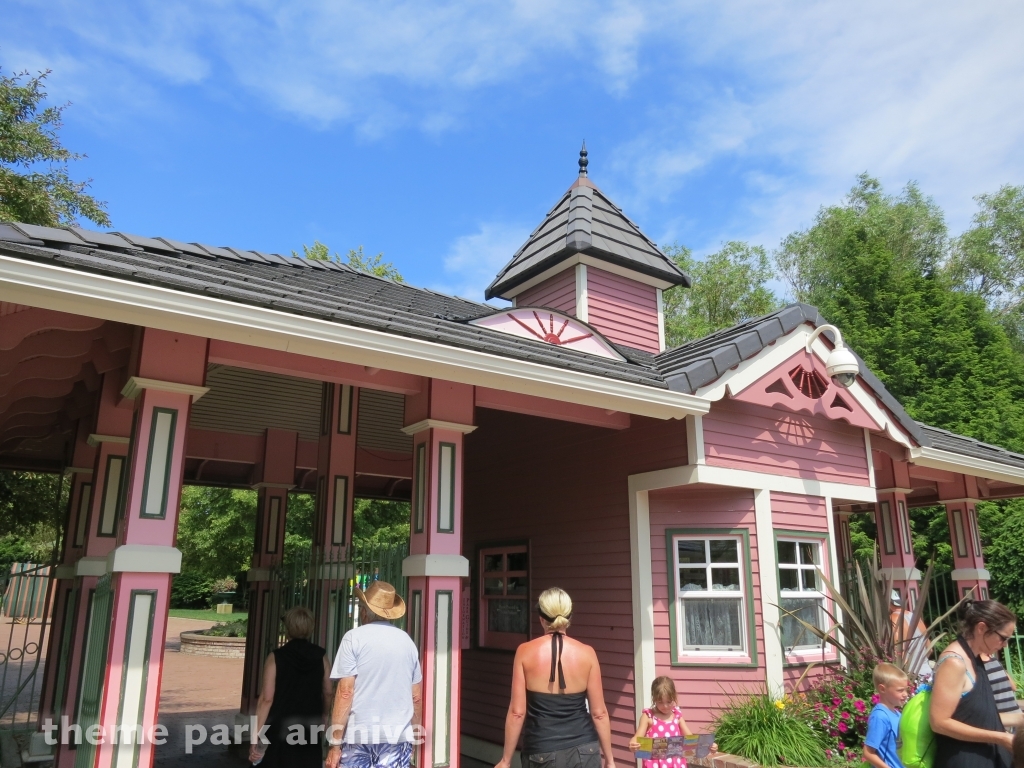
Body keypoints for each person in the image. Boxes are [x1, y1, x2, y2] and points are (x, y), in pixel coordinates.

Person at [495, 587, 615, 768]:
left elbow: (517, 713)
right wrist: (610, 760)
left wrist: (506, 760)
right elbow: (599, 714)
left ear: (541, 618)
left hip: (541, 750)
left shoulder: (525, 652)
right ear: (569, 618)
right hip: (586, 750)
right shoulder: (588, 653)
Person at [325, 580, 422, 768]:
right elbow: (416, 697)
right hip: (397, 736)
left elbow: (345, 692)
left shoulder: (353, 638)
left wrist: (335, 744)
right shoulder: (407, 642)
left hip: (359, 734)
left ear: (364, 611)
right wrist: (415, 736)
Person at [930, 599, 1017, 768]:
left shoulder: (975, 658)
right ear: (981, 628)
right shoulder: (954, 662)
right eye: (1002, 638)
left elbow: (980, 717)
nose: (1005, 645)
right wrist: (1000, 738)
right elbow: (939, 722)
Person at [249, 606, 333, 768]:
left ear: (287, 629)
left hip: (280, 725)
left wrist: (256, 735)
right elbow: (328, 691)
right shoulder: (321, 656)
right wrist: (324, 715)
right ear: (310, 628)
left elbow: (266, 699)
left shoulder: (276, 657)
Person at [628, 677, 715, 768]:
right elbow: (636, 738)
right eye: (660, 702)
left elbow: (691, 739)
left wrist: (708, 745)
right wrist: (633, 744)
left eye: (669, 702)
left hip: (676, 764)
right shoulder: (648, 717)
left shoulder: (677, 716)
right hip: (655, 765)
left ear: (674, 697)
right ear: (654, 698)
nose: (665, 706)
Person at [863, 663, 909, 768]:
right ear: (882, 689)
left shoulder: (897, 714)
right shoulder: (880, 716)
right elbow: (868, 752)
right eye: (900, 690)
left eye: (906, 689)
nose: (905, 694)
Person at [890, 590, 932, 681]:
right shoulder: (914, 617)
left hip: (912, 676)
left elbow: (899, 652)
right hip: (927, 673)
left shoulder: (893, 619)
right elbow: (930, 649)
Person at [980, 652, 1024, 730]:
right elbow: (1013, 687)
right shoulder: (994, 661)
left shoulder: (975, 666)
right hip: (1016, 716)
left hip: (1002, 720)